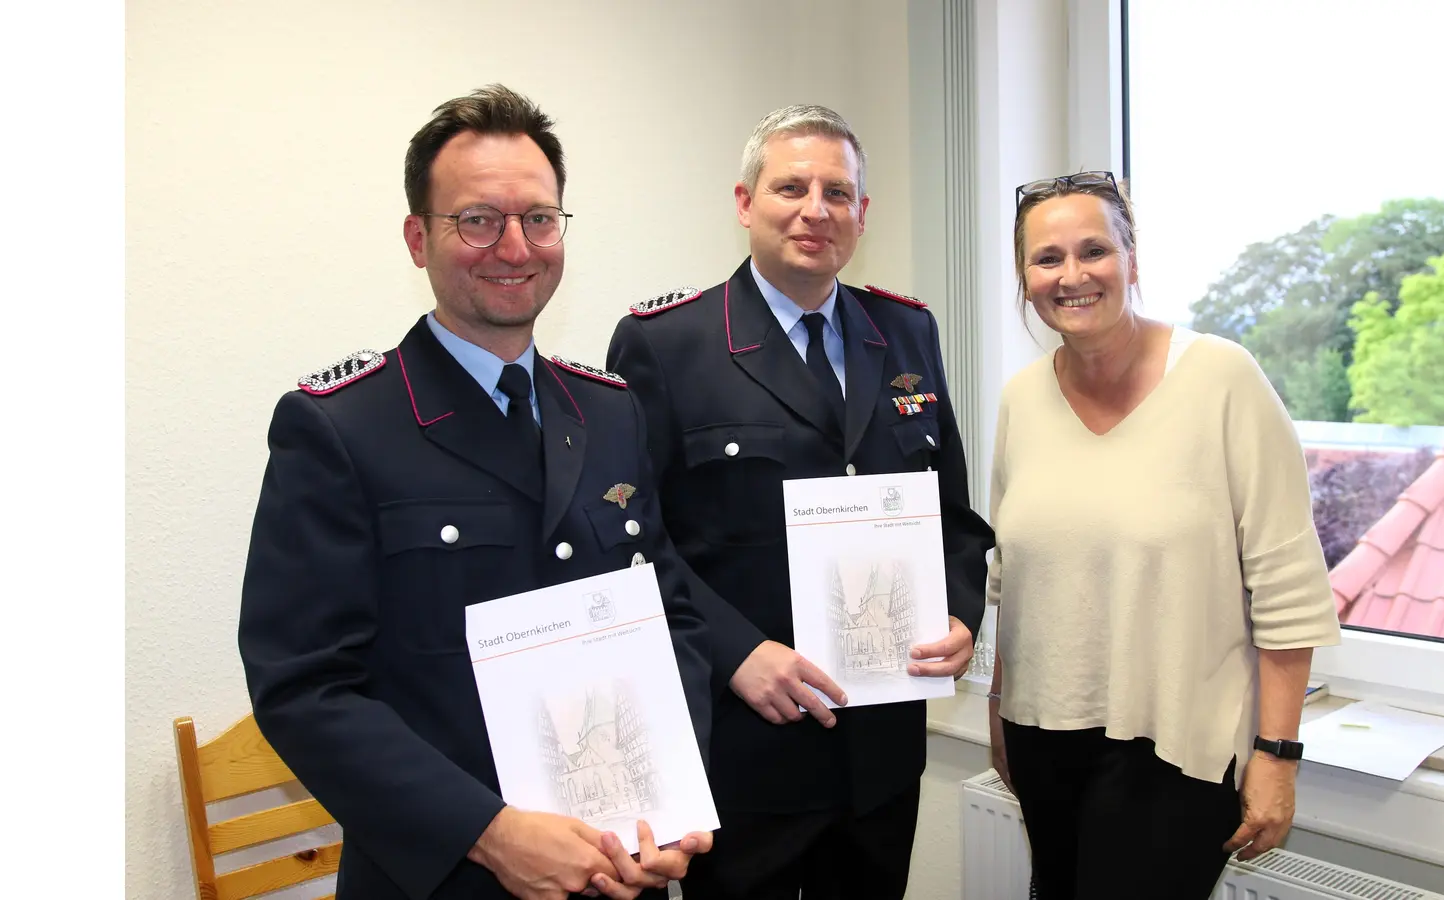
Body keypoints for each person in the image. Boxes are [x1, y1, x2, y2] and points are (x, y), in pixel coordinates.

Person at [237, 85, 715, 900]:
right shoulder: (341, 428)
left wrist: (667, 799)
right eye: (477, 220)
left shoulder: (608, 411)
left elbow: (670, 615)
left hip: (619, 869)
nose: (514, 245)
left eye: (538, 217)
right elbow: (305, 689)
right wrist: (487, 834)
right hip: (445, 880)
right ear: (418, 239)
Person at [605, 104, 994, 900]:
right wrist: (734, 652)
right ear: (746, 203)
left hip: (882, 750)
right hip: (748, 751)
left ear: (862, 214)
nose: (816, 209)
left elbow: (952, 513)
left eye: (838, 192)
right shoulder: (667, 344)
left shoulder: (907, 331)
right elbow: (634, 543)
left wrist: (961, 616)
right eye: (791, 187)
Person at [984, 172, 1343, 898]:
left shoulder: (1221, 379)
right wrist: (998, 711)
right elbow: (1011, 575)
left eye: (1094, 251)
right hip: (1043, 736)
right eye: (1047, 259)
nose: (1072, 275)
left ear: (1132, 259)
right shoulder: (1021, 398)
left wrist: (1277, 756)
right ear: (1025, 279)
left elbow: (1288, 588)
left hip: (1176, 748)